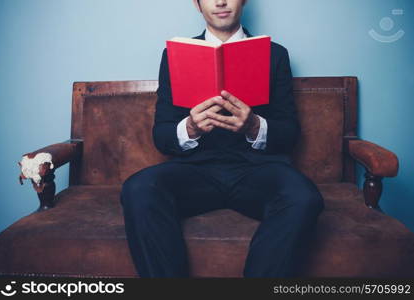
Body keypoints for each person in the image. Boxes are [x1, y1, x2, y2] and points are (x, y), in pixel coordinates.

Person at [120, 0, 324, 278]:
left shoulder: (275, 55)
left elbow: (289, 133)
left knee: (304, 197)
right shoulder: (174, 56)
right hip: (195, 171)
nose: (220, 2)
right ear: (197, 4)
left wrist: (254, 126)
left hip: (258, 171)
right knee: (138, 188)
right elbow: (162, 135)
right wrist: (190, 128)